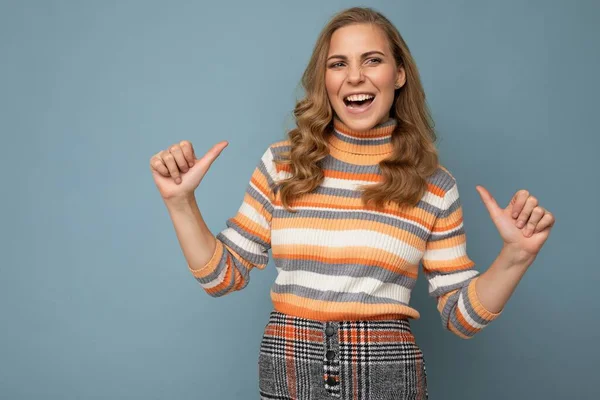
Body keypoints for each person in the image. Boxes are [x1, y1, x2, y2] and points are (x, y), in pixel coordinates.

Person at [149, 7, 555, 400]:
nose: (354, 77)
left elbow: (461, 316)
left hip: (388, 372)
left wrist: (516, 256)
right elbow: (221, 276)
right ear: (323, 80)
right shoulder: (282, 165)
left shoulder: (433, 184)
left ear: (398, 75)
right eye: (338, 64)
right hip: (289, 366)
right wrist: (180, 202)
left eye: (372, 60)